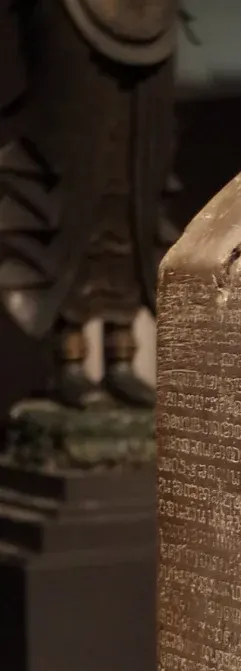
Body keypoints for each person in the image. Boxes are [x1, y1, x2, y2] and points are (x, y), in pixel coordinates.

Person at [0, 0, 179, 408]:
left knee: (139, 174)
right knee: (73, 170)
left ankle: (121, 350)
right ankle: (69, 352)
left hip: (152, 16)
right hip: (70, 14)